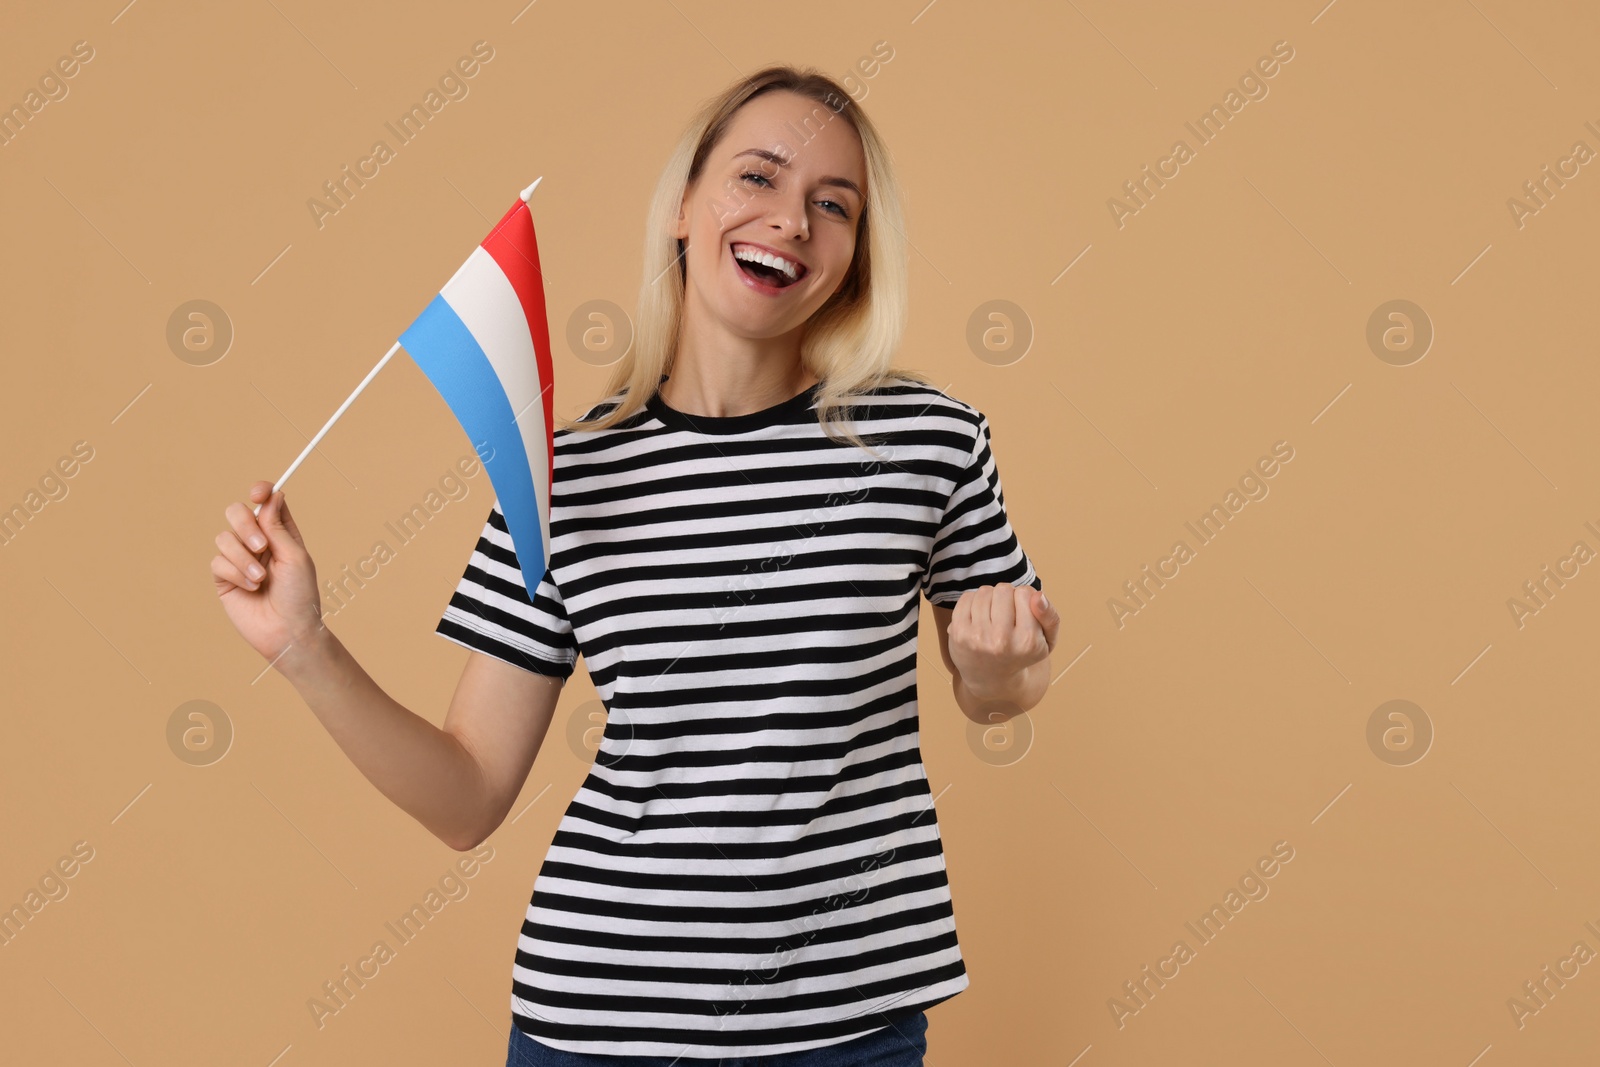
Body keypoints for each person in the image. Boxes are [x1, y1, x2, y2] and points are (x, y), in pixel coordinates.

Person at [211, 65, 1059, 1066]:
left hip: (847, 1031)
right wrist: (305, 646)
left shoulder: (927, 442)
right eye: (759, 177)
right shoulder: (563, 474)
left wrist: (1001, 671)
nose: (792, 219)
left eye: (834, 206)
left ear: (855, 257)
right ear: (686, 208)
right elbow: (468, 794)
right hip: (593, 1028)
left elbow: (999, 682)